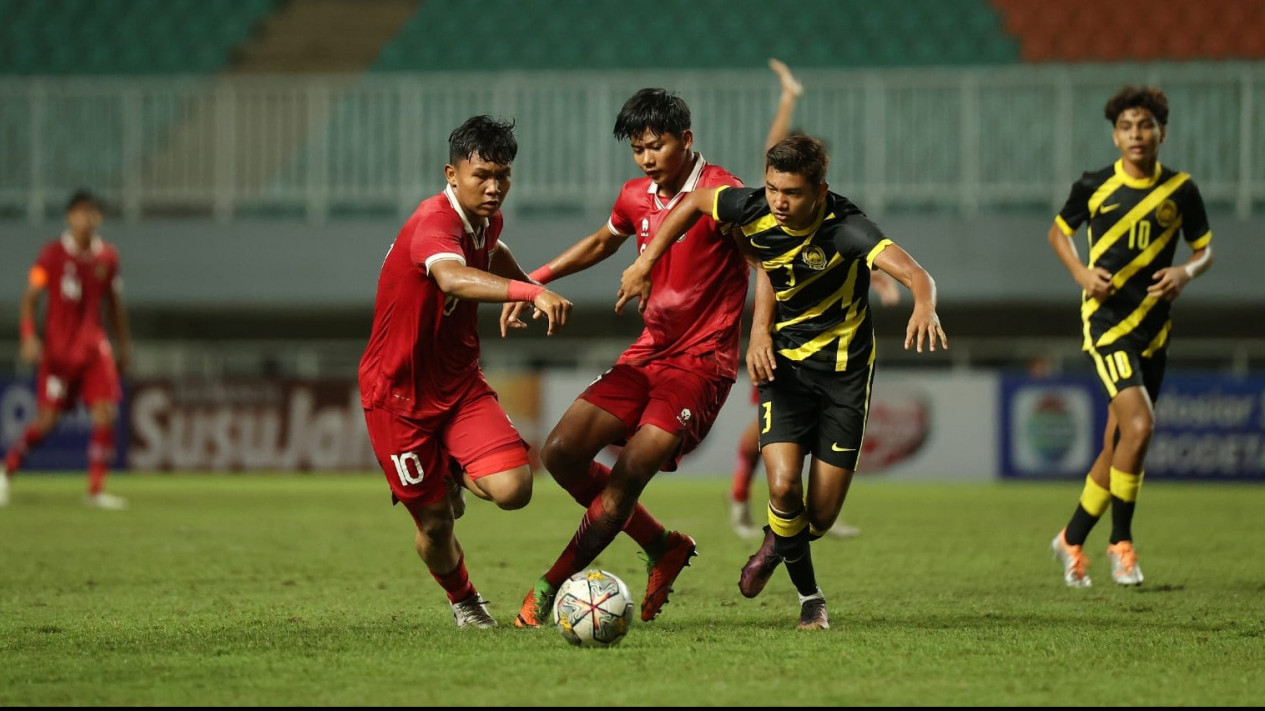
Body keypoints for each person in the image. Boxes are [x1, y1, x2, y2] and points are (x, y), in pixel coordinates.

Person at [619, 133, 947, 630]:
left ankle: (777, 541)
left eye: (791, 193)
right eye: (773, 189)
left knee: (821, 515)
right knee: (784, 483)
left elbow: (915, 273)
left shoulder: (846, 230)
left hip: (845, 378)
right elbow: (690, 206)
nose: (778, 202)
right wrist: (646, 262)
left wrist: (923, 303)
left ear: (820, 190)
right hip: (784, 369)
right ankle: (810, 598)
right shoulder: (751, 207)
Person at [503, 87, 749, 628]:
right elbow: (600, 242)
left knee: (627, 475)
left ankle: (548, 588)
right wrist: (530, 283)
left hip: (700, 367)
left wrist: (771, 335)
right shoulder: (635, 195)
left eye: (656, 146)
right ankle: (663, 546)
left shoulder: (723, 193)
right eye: (638, 149)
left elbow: (766, 261)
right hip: (647, 354)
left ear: (686, 140)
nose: (646, 159)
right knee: (561, 452)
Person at [358, 115, 573, 628]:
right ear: (451, 174)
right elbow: (452, 277)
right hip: (399, 397)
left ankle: (451, 465)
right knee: (436, 523)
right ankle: (465, 601)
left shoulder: (485, 219)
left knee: (515, 489)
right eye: (482, 176)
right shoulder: (432, 222)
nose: (495, 188)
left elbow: (491, 250)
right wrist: (532, 291)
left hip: (458, 386)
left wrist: (520, 282)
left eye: (503, 175)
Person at [1047, 86, 1213, 588]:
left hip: (1154, 329)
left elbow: (1204, 249)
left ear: (1163, 131)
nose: (1136, 135)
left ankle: (1070, 540)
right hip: (1106, 324)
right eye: (1126, 126)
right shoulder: (1095, 184)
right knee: (1140, 428)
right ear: (1115, 135)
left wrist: (1186, 272)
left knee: (1119, 441)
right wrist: (1080, 273)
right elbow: (1058, 231)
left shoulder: (1180, 190)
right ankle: (1121, 542)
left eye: (1145, 125)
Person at [727, 59, 899, 539]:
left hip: (824, 342)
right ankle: (741, 497)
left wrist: (882, 281)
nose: (782, 196)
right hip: (781, 333)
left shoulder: (827, 216)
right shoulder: (766, 210)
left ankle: (803, 510)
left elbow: (852, 253)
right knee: (766, 433)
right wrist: (788, 98)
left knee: (806, 444)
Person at [2, 189, 131, 510]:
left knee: (106, 413)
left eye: (92, 213)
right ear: (69, 216)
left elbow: (114, 305)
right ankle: (7, 469)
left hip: (93, 350)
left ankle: (96, 489)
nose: (86, 219)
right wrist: (30, 336)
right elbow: (31, 297)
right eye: (80, 213)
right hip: (59, 354)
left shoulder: (108, 258)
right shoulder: (51, 255)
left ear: (98, 218)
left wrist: (123, 345)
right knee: (47, 421)